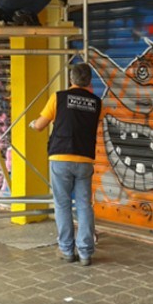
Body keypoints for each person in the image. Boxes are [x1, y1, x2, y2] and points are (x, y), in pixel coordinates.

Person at [29, 63, 102, 266]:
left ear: (71, 79)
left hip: (60, 158)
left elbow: (40, 125)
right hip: (85, 159)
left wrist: (33, 124)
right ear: (89, 81)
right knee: (84, 206)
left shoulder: (59, 97)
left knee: (62, 205)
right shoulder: (97, 102)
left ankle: (67, 250)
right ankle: (86, 253)